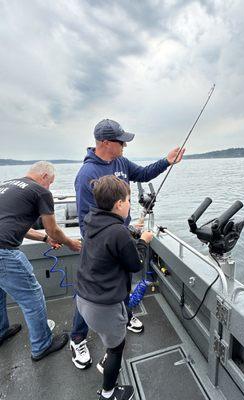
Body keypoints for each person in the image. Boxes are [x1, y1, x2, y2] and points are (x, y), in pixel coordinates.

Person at [70, 118, 185, 369]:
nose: (125, 145)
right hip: (102, 244)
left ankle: (124, 316)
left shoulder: (121, 162)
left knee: (123, 283)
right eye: (121, 141)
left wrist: (167, 161)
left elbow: (143, 173)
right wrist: (110, 240)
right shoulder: (86, 174)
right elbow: (84, 219)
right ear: (105, 143)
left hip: (123, 235)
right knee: (90, 292)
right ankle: (77, 337)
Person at [75, 175, 153, 400]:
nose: (130, 204)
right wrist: (143, 240)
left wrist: (129, 230)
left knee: (110, 342)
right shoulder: (118, 232)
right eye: (128, 200)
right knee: (116, 349)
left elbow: (110, 238)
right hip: (104, 306)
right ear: (119, 204)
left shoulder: (92, 219)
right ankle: (109, 393)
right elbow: (134, 264)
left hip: (84, 298)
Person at [0, 161, 81, 360]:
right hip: (4, 253)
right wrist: (71, 243)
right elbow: (53, 228)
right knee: (32, 298)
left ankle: (1, 331)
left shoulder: (6, 185)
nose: (49, 187)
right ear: (44, 176)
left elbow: (17, 226)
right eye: (50, 182)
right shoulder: (40, 191)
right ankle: (41, 345)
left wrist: (45, 239)